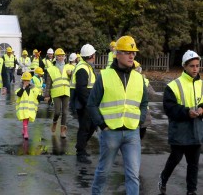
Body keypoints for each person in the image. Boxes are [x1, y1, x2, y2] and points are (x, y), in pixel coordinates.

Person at [88, 35, 148, 195]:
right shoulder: (105, 76)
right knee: (103, 173)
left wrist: (139, 121)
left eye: (133, 53)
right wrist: (103, 125)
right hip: (110, 133)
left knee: (133, 176)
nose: (131, 56)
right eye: (127, 52)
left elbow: (143, 103)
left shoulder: (139, 78)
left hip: (132, 133)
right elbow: (91, 104)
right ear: (117, 54)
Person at [158, 50, 203, 195]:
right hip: (180, 130)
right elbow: (169, 108)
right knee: (175, 159)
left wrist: (202, 109)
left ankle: (191, 191)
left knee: (193, 164)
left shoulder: (201, 84)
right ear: (184, 66)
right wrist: (186, 112)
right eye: (192, 66)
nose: (195, 69)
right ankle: (163, 178)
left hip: (196, 130)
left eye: (197, 65)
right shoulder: (174, 85)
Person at [70, 45, 97, 164]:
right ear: (91, 56)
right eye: (94, 55)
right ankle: (80, 152)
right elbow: (81, 89)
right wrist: (90, 104)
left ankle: (81, 147)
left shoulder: (86, 66)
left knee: (91, 126)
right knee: (85, 128)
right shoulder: (83, 68)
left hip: (86, 103)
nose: (95, 56)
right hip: (84, 104)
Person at [45, 48, 71, 138]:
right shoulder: (51, 69)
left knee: (65, 112)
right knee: (57, 112)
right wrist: (47, 95)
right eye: (59, 56)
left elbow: (74, 79)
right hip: (56, 93)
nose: (61, 57)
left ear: (64, 57)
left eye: (62, 56)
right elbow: (48, 83)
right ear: (55, 57)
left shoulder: (69, 67)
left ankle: (62, 131)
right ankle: (55, 122)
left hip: (66, 91)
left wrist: (71, 74)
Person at [15, 72, 48, 139]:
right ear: (22, 80)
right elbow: (19, 94)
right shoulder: (20, 88)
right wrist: (23, 88)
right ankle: (26, 132)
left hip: (30, 108)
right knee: (25, 119)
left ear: (30, 81)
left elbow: (37, 96)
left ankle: (24, 129)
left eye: (27, 80)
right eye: (24, 80)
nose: (26, 82)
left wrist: (44, 98)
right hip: (23, 108)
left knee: (26, 120)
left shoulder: (33, 89)